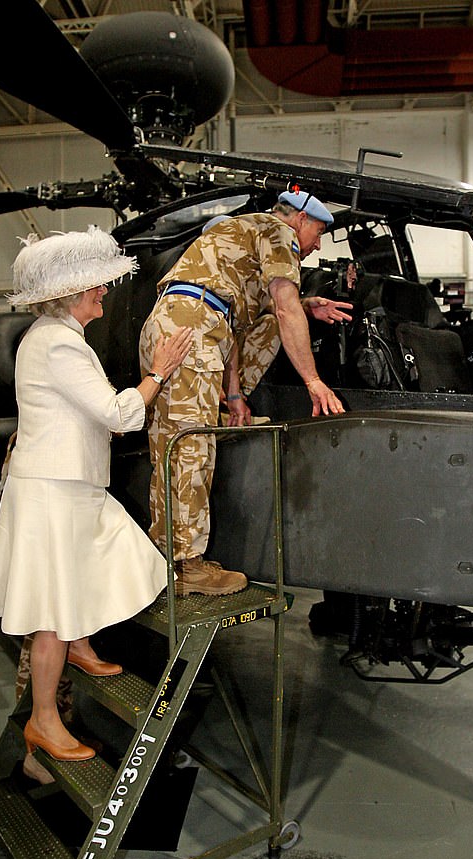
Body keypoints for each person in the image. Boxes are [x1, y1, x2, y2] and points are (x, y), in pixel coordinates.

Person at [0, 225, 192, 763]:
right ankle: (44, 722)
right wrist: (158, 374)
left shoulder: (54, 339)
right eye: (97, 285)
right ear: (74, 293)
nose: (105, 291)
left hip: (66, 487)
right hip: (55, 491)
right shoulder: (58, 344)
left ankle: (79, 647)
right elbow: (117, 414)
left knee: (109, 557)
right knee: (54, 608)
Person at [139, 189, 352, 597]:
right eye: (318, 233)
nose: (317, 245)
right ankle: (186, 568)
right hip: (192, 332)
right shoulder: (278, 231)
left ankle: (171, 559)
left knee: (175, 446)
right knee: (190, 449)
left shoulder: (242, 238)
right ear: (301, 220)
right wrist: (313, 380)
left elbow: (238, 323)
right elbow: (284, 306)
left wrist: (234, 396)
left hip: (185, 324)